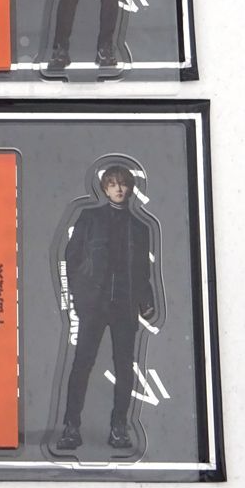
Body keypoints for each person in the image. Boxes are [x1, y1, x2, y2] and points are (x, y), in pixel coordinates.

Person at [57, 165, 155, 450]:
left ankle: (119, 428)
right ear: (104, 188)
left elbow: (142, 270)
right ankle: (71, 427)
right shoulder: (90, 218)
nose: (119, 189)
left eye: (123, 184)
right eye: (113, 184)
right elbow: (72, 256)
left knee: (124, 367)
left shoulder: (140, 227)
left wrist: (146, 302)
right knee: (82, 364)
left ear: (131, 188)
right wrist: (78, 295)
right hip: (94, 304)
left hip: (125, 306)